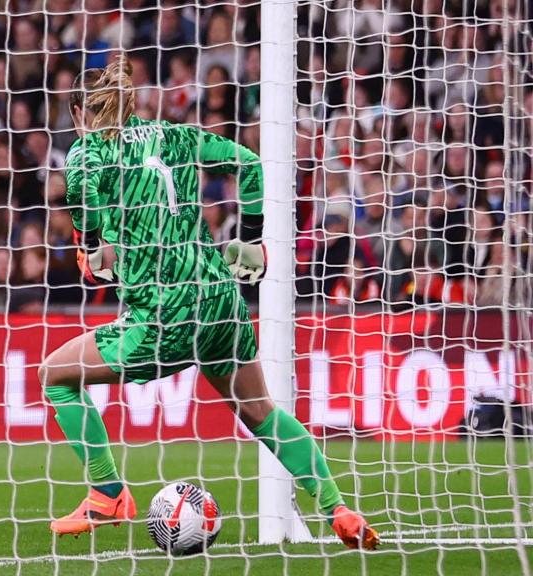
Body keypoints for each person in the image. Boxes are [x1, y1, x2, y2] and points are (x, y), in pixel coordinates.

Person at [39, 59, 379, 550]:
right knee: (261, 412)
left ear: (76, 111)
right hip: (221, 300)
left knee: (54, 375)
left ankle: (108, 492)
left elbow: (82, 196)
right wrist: (253, 240)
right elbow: (248, 161)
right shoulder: (172, 136)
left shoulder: (88, 150)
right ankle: (336, 507)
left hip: (166, 314)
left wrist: (90, 246)